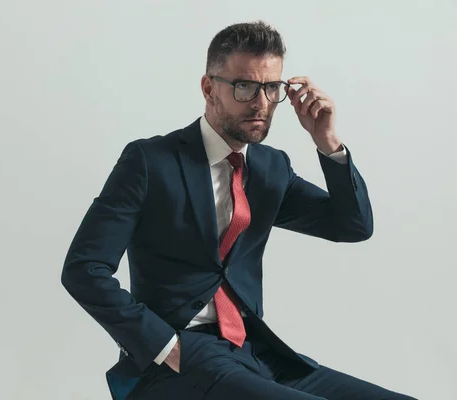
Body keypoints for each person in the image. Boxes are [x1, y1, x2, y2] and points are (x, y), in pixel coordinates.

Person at [61, 20, 415, 400]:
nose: (261, 103)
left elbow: (353, 226)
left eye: (272, 88)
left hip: (255, 351)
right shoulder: (150, 162)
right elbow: (84, 269)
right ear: (209, 88)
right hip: (180, 357)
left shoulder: (270, 168)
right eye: (245, 86)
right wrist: (164, 346)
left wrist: (327, 142)